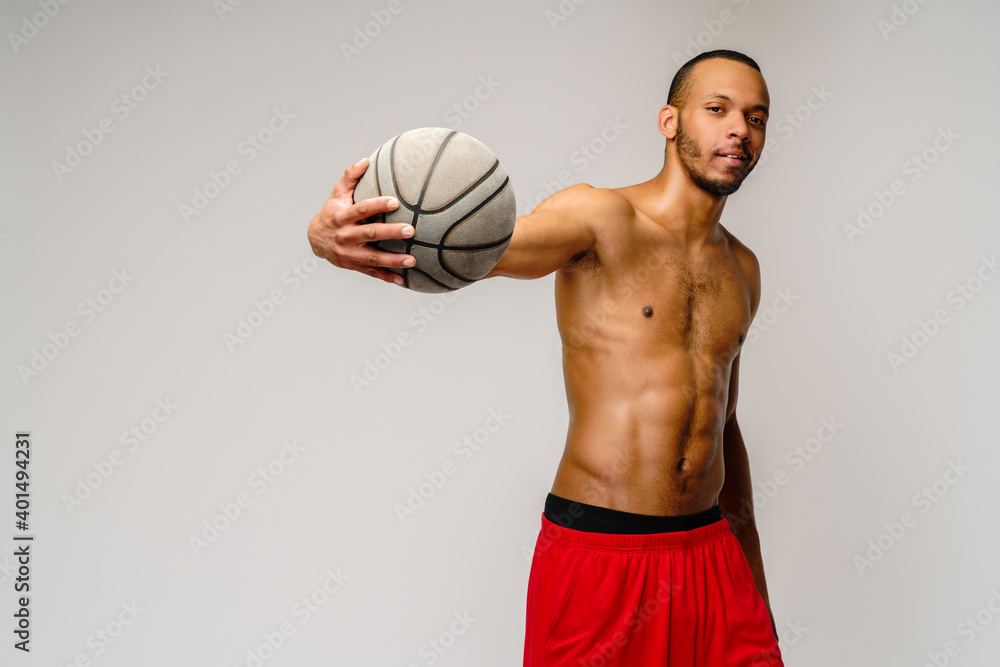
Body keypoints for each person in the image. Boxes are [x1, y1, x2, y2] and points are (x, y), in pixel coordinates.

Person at [308, 49, 784, 666]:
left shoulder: (742, 268)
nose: (738, 130)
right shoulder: (601, 217)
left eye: (756, 117)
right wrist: (327, 238)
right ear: (670, 122)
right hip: (601, 553)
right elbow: (489, 246)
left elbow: (724, 425)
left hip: (710, 557)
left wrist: (753, 585)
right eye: (717, 109)